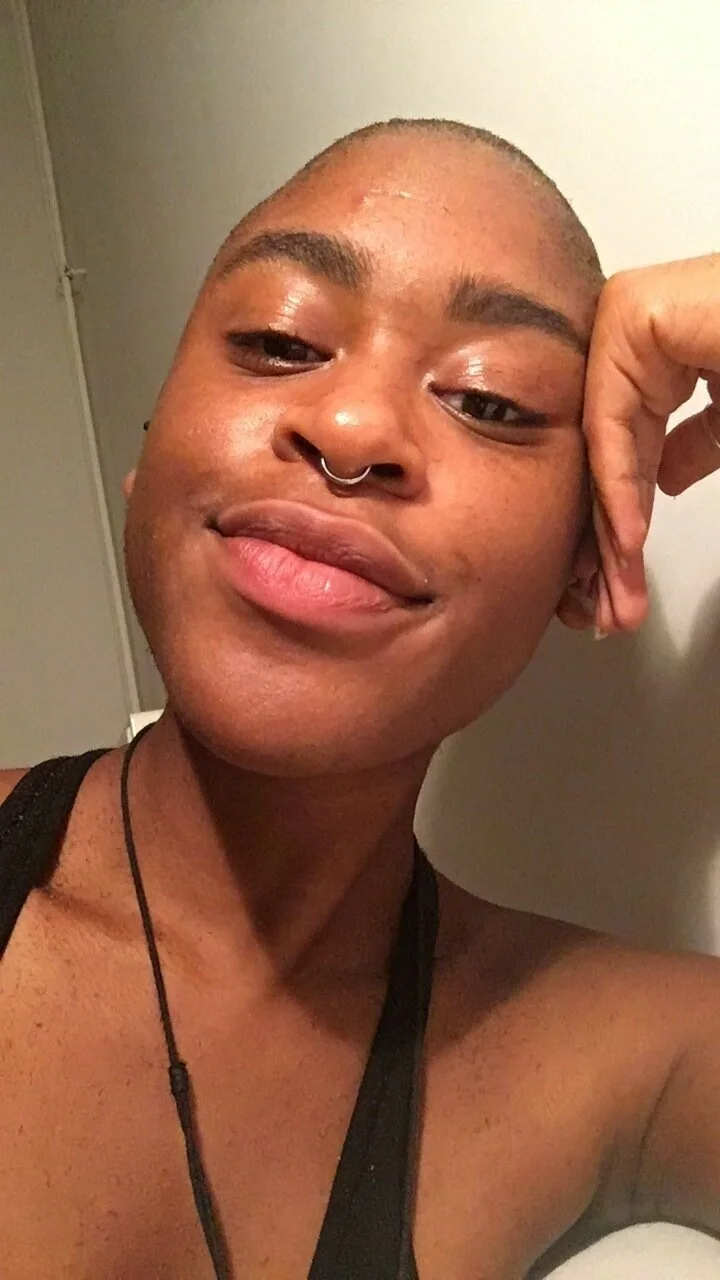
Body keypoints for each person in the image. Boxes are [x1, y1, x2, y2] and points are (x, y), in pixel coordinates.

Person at [0, 116, 718, 1280]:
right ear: (152, 453)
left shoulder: (606, 1054)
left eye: (489, 398)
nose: (348, 428)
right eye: (279, 340)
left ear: (586, 565)